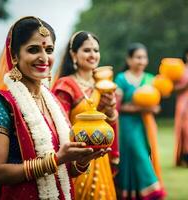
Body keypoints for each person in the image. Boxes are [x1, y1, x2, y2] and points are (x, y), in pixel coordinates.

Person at [0, 16, 108, 200]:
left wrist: (82, 161)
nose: (44, 57)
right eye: (33, 49)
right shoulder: (2, 106)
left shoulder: (52, 103)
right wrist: (56, 160)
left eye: (49, 49)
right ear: (14, 56)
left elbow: (62, 172)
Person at [52, 31, 119, 200]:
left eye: (96, 50)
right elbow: (59, 125)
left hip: (101, 156)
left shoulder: (103, 85)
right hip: (76, 157)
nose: (93, 55)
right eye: (87, 50)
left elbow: (110, 122)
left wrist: (110, 110)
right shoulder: (66, 85)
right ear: (74, 54)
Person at [115, 43, 166, 200]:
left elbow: (156, 107)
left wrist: (151, 109)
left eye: (144, 57)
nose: (141, 61)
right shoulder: (121, 78)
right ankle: (153, 191)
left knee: (146, 153)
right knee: (138, 154)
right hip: (128, 125)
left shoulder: (151, 79)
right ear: (129, 59)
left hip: (147, 124)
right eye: (137, 57)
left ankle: (134, 193)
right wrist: (138, 108)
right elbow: (117, 107)